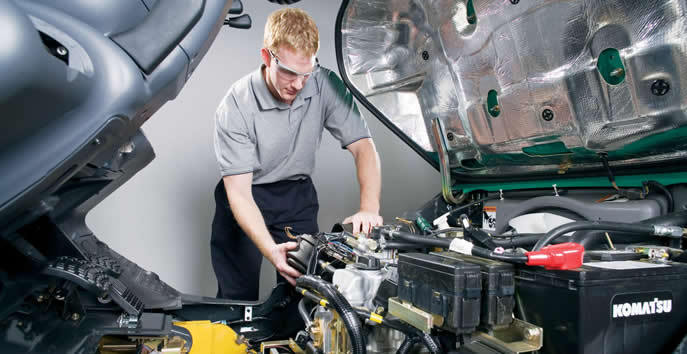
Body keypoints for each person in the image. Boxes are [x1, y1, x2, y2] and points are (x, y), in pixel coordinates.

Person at [211, 8, 383, 300]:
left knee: (305, 291)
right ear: (267, 58)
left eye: (306, 73)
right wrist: (271, 252)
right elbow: (239, 193)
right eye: (289, 73)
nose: (298, 84)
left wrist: (369, 207)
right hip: (244, 195)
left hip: (295, 196)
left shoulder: (323, 83)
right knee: (236, 297)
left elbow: (363, 147)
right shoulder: (236, 106)